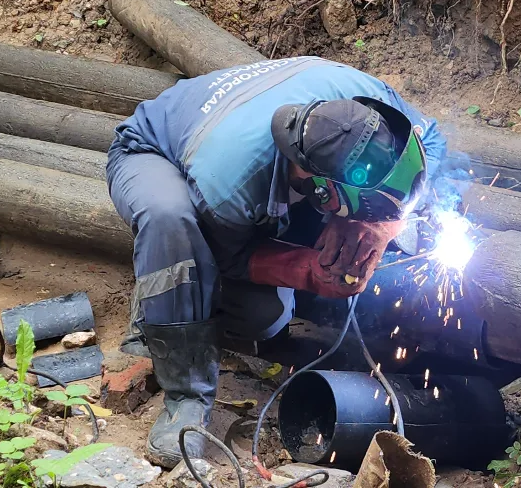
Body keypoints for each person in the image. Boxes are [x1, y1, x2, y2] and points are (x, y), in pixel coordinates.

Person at [105, 55, 446, 467]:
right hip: (153, 151)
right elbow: (231, 258)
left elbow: (434, 141)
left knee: (274, 314)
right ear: (317, 186)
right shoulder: (227, 185)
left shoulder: (369, 106)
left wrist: (379, 227)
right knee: (187, 240)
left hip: (238, 132)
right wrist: (307, 271)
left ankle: (181, 298)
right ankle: (184, 393)